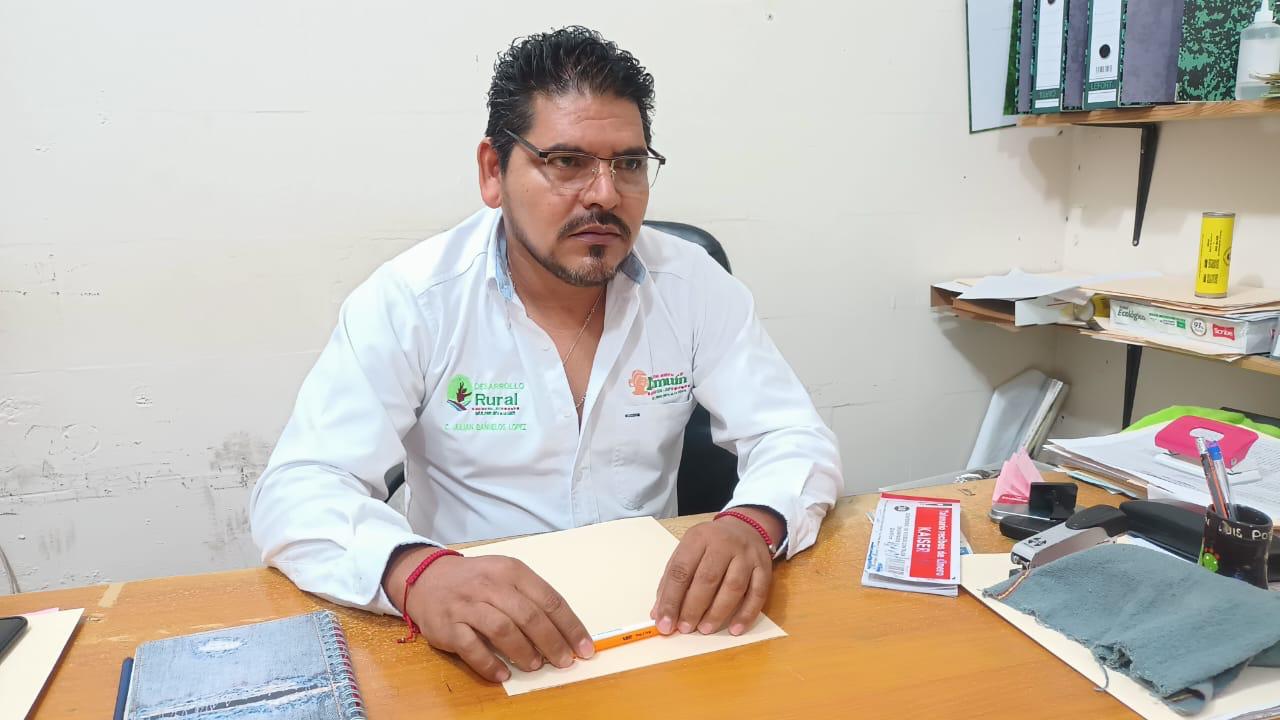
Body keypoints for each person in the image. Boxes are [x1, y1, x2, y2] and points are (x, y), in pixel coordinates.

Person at [250, 26, 842, 683]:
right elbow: (299, 489)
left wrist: (755, 520)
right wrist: (416, 573)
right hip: (480, 646)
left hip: (658, 630)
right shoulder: (415, 301)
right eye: (566, 162)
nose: (605, 194)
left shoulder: (691, 284)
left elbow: (792, 435)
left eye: (629, 163)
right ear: (492, 172)